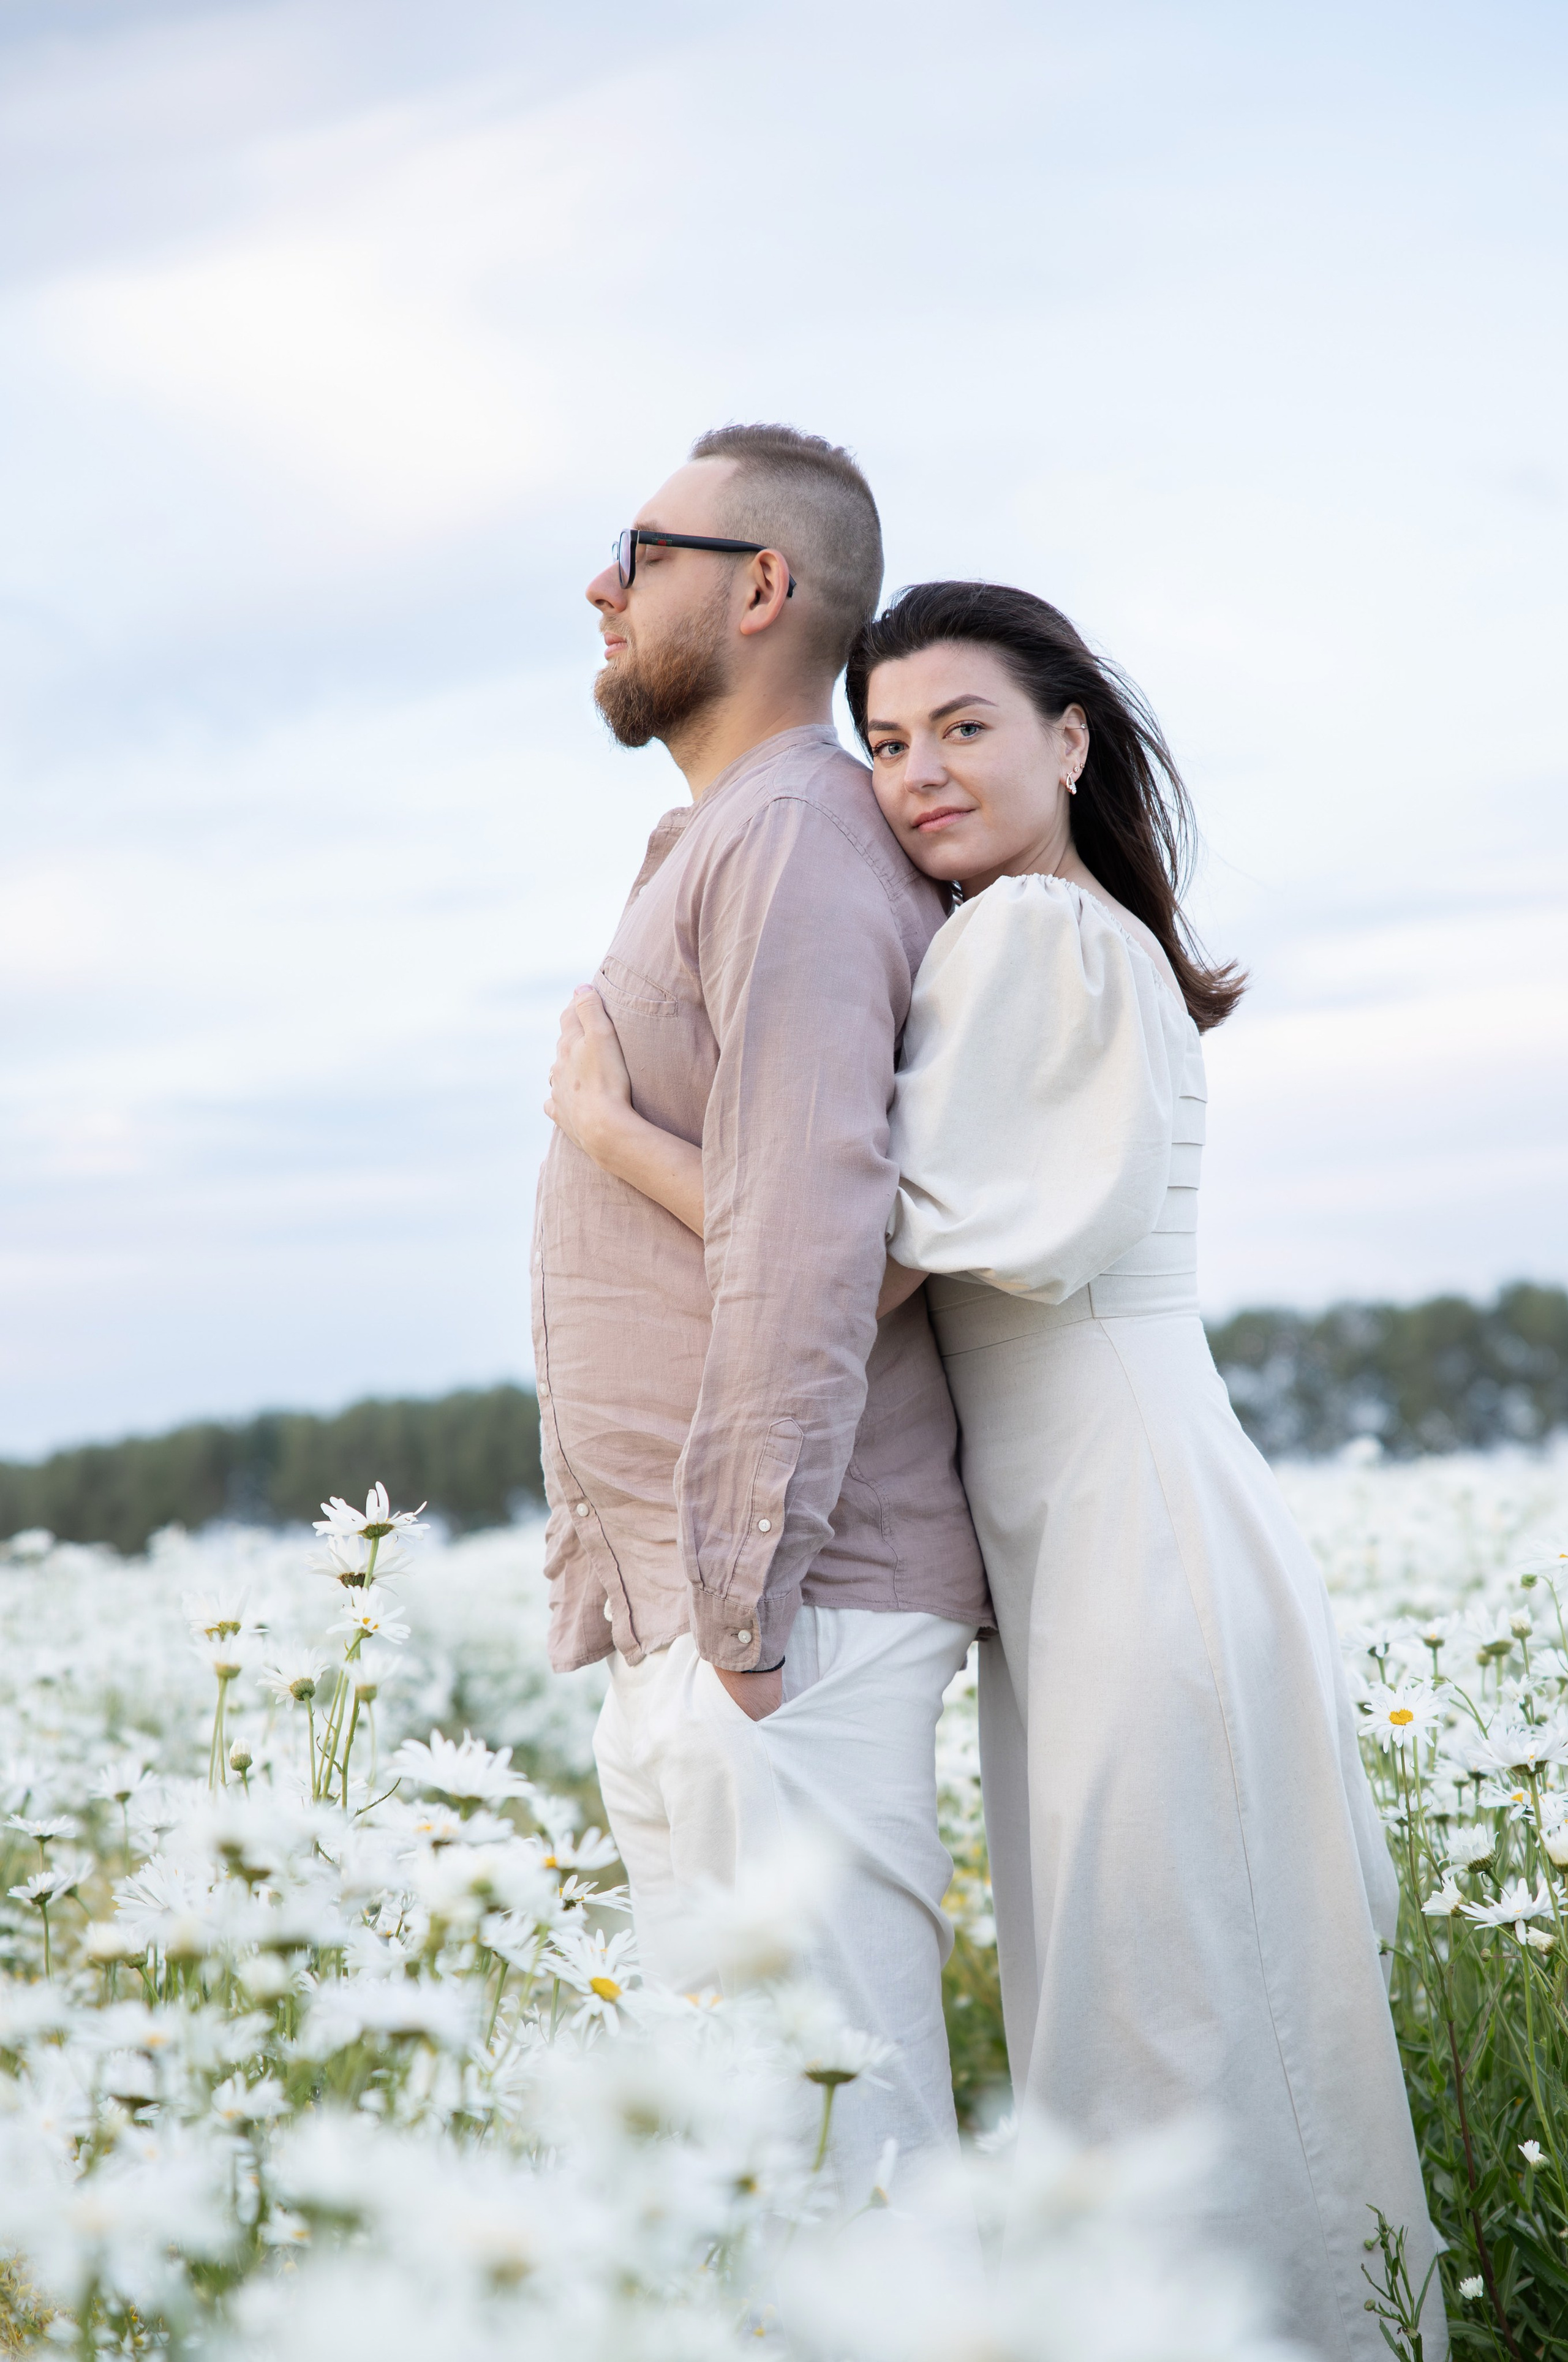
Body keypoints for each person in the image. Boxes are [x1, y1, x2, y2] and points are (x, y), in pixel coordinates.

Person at [556, 575, 1445, 2358]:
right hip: (1110, 1521)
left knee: (1176, 2010)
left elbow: (854, 1254)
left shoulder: (1033, 940)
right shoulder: (1065, 930)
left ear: (1071, 735)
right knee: (1168, 1995)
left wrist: (609, 1129)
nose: (916, 775)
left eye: (963, 728)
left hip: (1130, 1531)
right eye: (884, 742)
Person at [534, 426, 989, 2212]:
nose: (600, 583)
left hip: (776, 1618)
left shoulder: (793, 838)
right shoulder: (729, 837)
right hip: (713, 1623)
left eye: (638, 551)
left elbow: (816, 1241)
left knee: (841, 2163)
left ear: (761, 590)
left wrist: (738, 1605)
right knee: (740, 2170)